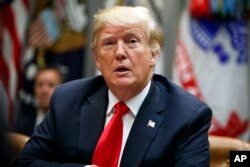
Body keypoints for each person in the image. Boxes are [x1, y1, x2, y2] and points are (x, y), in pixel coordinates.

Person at [14, 6, 212, 167]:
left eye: (132, 41)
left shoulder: (187, 116)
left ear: (153, 54)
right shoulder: (67, 99)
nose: (120, 53)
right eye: (109, 43)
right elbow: (25, 162)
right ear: (97, 59)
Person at [13, 66, 63, 136]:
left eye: (51, 85)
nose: (44, 90)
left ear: (62, 89)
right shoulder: (22, 121)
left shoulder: (68, 122)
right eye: (40, 85)